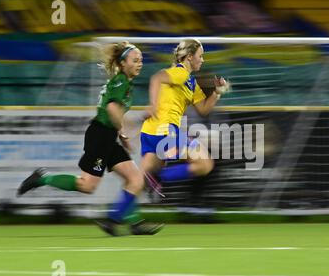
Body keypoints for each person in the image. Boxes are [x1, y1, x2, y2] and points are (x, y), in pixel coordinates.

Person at [17, 41, 162, 236]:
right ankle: (42, 179)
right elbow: (111, 109)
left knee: (135, 178)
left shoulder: (123, 82)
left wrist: (121, 134)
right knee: (87, 185)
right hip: (100, 136)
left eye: (141, 60)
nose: (140, 63)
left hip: (108, 135)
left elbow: (112, 112)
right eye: (135, 60)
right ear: (123, 63)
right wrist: (128, 128)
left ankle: (130, 221)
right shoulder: (121, 82)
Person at [140, 38, 231, 194]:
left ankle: (118, 213)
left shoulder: (190, 82)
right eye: (200, 56)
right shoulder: (181, 72)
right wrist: (153, 105)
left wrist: (217, 92)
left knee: (139, 179)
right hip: (165, 131)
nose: (202, 60)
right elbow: (157, 77)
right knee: (205, 164)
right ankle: (158, 178)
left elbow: (203, 110)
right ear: (190, 57)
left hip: (153, 131)